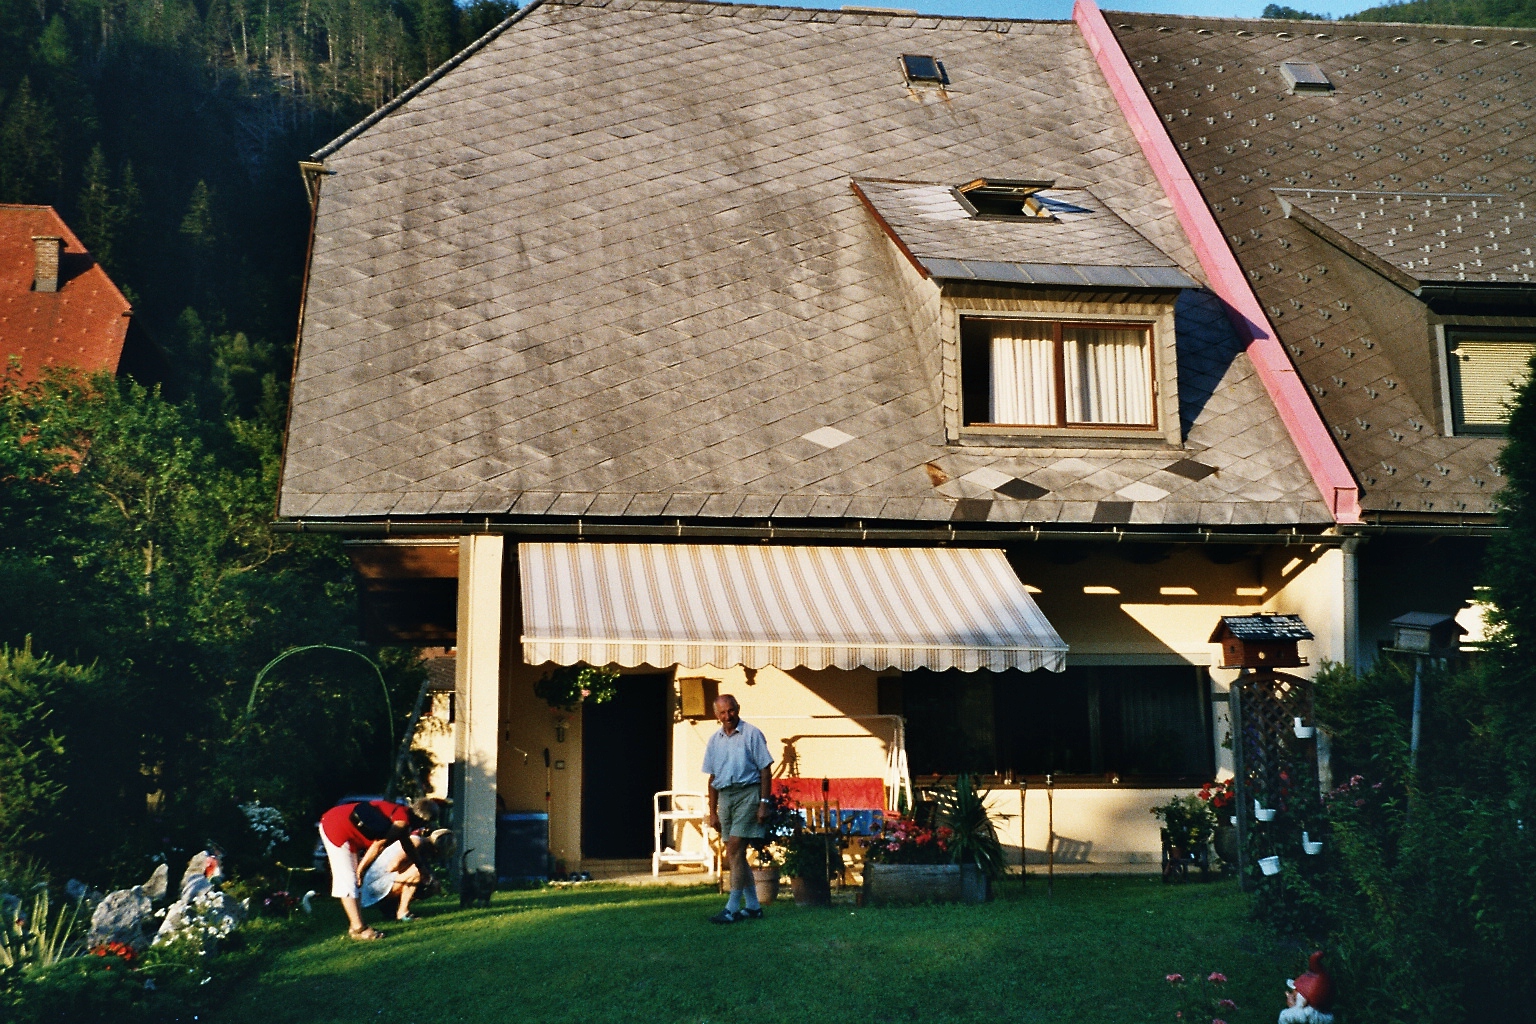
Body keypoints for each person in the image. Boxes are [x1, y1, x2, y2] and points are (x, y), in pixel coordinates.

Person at [701, 693, 773, 924]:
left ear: (738, 709)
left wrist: (764, 803)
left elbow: (765, 770)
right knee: (735, 854)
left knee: (734, 849)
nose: (727, 716)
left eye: (730, 710)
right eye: (722, 712)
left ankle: (731, 908)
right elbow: (712, 777)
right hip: (725, 796)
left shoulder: (752, 734)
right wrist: (712, 811)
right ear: (717, 715)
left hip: (748, 794)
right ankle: (753, 906)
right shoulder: (715, 740)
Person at [317, 798, 430, 940]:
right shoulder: (402, 823)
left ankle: (356, 926)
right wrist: (361, 870)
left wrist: (421, 867)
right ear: (422, 820)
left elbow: (407, 845)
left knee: (351, 879)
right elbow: (379, 844)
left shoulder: (402, 814)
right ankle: (359, 929)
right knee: (348, 879)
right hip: (335, 827)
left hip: (338, 822)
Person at [360, 828, 454, 921]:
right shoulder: (416, 842)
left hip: (383, 882)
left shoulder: (420, 845)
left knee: (430, 883)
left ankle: (391, 908)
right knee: (417, 872)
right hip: (374, 886)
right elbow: (393, 866)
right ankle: (403, 912)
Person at [1279, 951, 1336, 1024]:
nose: (1292, 995)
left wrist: (1294, 1007)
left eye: (1295, 991)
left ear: (1304, 1000)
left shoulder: (1296, 1018)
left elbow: (1295, 1016)